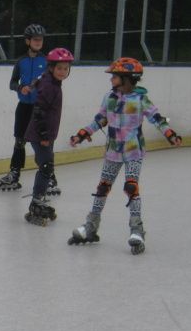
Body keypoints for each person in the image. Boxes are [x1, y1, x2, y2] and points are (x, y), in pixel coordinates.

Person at [68, 57, 182, 255]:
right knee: (102, 188)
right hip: (112, 151)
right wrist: (82, 134)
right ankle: (90, 227)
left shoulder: (140, 99)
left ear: (127, 78)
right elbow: (100, 120)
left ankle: (137, 231)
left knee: (131, 187)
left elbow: (157, 118)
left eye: (115, 76)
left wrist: (170, 134)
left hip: (133, 151)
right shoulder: (109, 97)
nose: (111, 79)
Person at [0, 23, 59, 196]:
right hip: (24, 107)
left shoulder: (47, 62)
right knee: (19, 141)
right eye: (35, 39)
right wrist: (20, 88)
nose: (38, 42)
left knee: (44, 143)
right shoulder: (21, 61)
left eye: (41, 39)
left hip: (41, 108)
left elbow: (54, 82)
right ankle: (14, 173)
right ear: (28, 41)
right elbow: (12, 83)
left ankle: (50, 176)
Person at [23, 47, 74, 226]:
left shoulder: (49, 80)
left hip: (44, 134)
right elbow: (38, 110)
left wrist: (32, 85)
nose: (62, 72)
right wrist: (44, 134)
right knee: (46, 167)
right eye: (59, 68)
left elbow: (39, 79)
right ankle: (36, 202)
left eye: (66, 69)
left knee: (46, 166)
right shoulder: (50, 86)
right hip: (40, 134)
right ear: (51, 68)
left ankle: (39, 199)